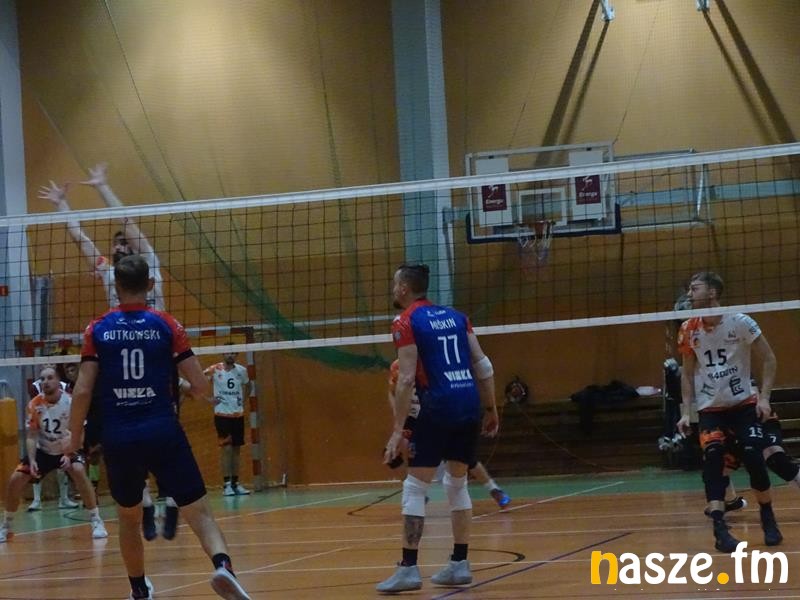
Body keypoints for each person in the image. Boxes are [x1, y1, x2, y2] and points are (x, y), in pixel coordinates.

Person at [66, 254, 250, 600]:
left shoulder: (97, 329)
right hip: (162, 430)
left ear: (116, 287)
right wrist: (194, 391)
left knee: (129, 518)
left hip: (119, 436)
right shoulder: (167, 324)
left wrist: (73, 439)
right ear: (149, 285)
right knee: (199, 512)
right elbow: (200, 384)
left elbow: (83, 390)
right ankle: (223, 566)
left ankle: (139, 590)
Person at [40, 166, 171, 539]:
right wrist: (62, 206)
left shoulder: (151, 268)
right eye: (115, 247)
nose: (118, 248)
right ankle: (145, 502)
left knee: (160, 433)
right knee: (125, 437)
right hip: (119, 360)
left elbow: (129, 225)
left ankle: (171, 498)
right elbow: (80, 238)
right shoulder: (108, 273)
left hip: (154, 358)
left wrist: (104, 188)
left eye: (123, 245)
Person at [377, 264, 499, 593]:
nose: (393, 289)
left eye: (395, 284)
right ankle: (460, 564)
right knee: (456, 483)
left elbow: (406, 378)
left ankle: (408, 569)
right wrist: (491, 408)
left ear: (404, 288)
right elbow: (483, 364)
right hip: (468, 403)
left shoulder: (405, 321)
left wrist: (398, 430)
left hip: (438, 405)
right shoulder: (458, 317)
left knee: (415, 488)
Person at [676, 271, 781, 553]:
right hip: (711, 408)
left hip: (743, 404)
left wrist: (764, 398)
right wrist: (686, 412)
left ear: (712, 292)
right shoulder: (688, 328)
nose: (689, 294)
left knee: (753, 455)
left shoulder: (740, 322)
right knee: (712, 459)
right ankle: (720, 530)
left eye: (694, 289)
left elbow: (769, 358)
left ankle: (767, 515)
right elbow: (687, 373)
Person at [0, 367, 107, 542]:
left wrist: (69, 452)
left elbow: (79, 432)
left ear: (58, 381)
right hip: (44, 450)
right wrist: (32, 460)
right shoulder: (34, 404)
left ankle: (96, 520)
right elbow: (32, 436)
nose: (46, 382)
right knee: (15, 479)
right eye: (42, 379)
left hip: (68, 447)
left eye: (50, 378)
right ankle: (6, 526)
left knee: (78, 470)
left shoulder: (71, 402)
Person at [386, 359, 510, 508]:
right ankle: (416, 492)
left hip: (434, 415)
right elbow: (392, 393)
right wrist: (398, 421)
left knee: (463, 458)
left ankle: (494, 489)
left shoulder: (428, 363)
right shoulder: (397, 368)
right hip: (413, 419)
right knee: (392, 455)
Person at [27, 363, 80, 511]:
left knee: (68, 469)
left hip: (61, 438)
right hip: (43, 435)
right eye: (46, 363)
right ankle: (36, 500)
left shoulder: (66, 388)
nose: (46, 381)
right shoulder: (35, 388)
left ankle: (65, 499)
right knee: (34, 468)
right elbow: (35, 411)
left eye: (50, 377)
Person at [204, 352, 252, 496]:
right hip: (222, 415)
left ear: (236, 354)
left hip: (237, 415)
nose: (230, 355)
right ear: (223, 353)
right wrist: (208, 399)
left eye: (232, 353)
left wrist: (243, 401)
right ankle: (226, 485)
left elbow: (248, 385)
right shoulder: (214, 369)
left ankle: (235, 483)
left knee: (236, 450)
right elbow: (198, 382)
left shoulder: (241, 370)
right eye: (227, 353)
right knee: (227, 449)